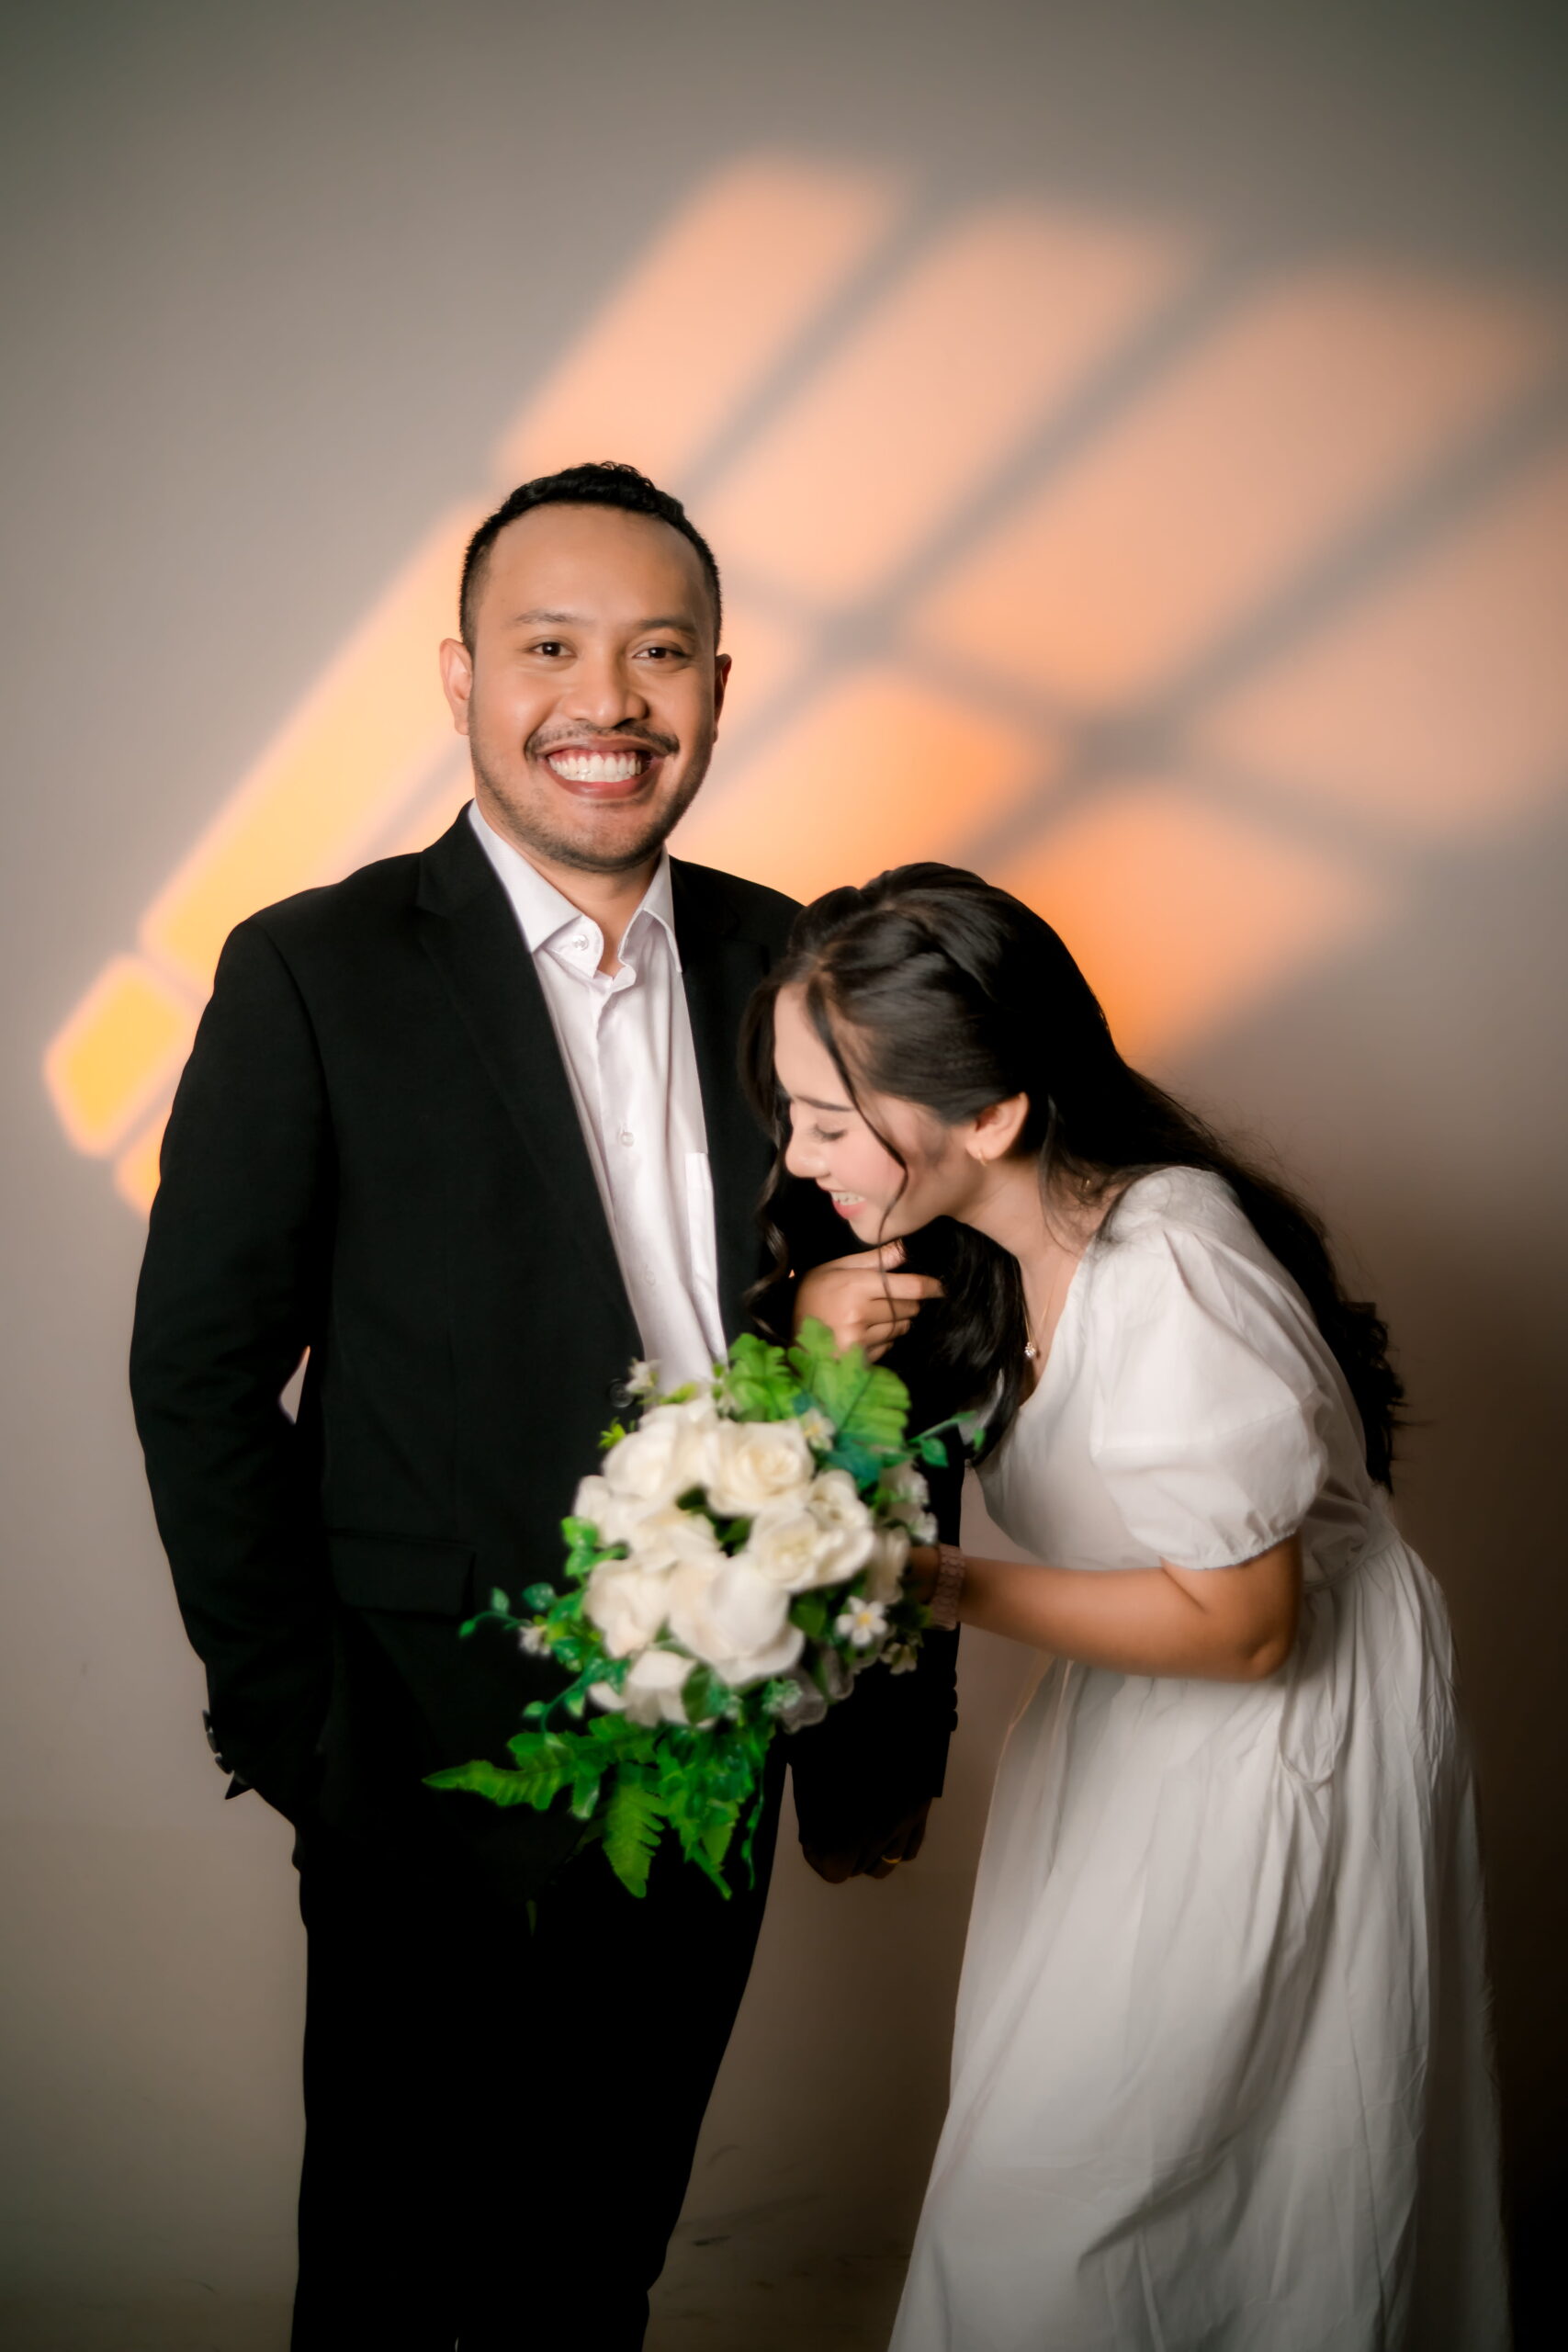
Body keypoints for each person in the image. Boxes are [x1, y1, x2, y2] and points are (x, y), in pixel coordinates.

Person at [128, 463, 956, 2350]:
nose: (608, 701)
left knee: (596, 2264)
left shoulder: (798, 963)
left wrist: (880, 1726)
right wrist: (301, 1731)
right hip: (421, 1744)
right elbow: (197, 1370)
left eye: (658, 653)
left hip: (730, 1727)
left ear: (718, 689)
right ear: (461, 678)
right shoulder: (314, 971)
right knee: (394, 2277)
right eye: (551, 648)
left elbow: (897, 1335)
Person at [746, 863, 1509, 2351]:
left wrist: (923, 1584)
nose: (802, 1152)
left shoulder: (1169, 1269)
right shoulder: (990, 1253)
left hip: (1268, 1747)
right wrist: (816, 1352)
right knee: (1083, 2183)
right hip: (1138, 1736)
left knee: (1139, 2200)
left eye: (831, 1119)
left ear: (990, 1116)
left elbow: (1248, 1629)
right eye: (793, 1111)